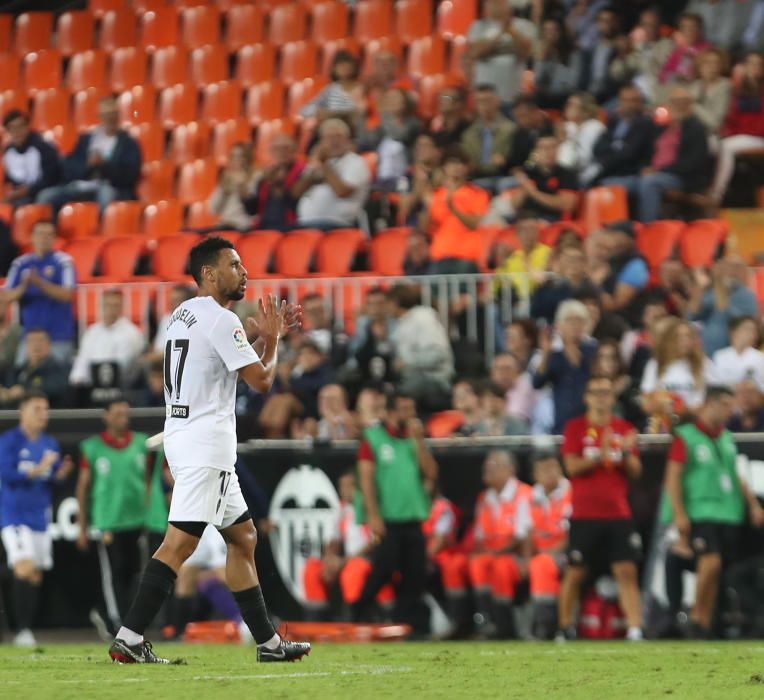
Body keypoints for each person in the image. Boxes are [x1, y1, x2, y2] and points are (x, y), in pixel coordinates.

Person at [107, 237, 309, 664]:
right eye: (234, 264)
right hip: (206, 446)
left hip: (186, 437)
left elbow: (226, 370)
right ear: (209, 274)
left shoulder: (182, 315)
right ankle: (128, 635)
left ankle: (268, 644)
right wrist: (272, 341)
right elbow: (262, 381)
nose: (244, 271)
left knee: (243, 537)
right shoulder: (222, 320)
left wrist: (258, 340)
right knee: (179, 545)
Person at [662, 385, 764, 637]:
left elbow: (736, 475)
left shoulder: (726, 437)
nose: (731, 411)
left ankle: (704, 624)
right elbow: (673, 477)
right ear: (711, 404)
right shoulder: (685, 436)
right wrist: (679, 513)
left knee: (717, 568)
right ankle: (697, 617)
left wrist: (752, 504)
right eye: (727, 405)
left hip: (727, 512)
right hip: (699, 510)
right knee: (710, 560)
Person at [557, 374, 644, 642]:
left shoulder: (623, 428)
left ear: (612, 398)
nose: (601, 397)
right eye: (596, 392)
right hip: (585, 513)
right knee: (575, 571)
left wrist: (626, 452)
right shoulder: (575, 428)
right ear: (587, 397)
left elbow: (635, 472)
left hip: (618, 513)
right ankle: (565, 627)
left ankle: (634, 629)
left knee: (626, 570)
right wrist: (600, 454)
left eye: (606, 392)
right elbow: (571, 467)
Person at [353, 393, 438, 635]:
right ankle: (359, 611)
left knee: (415, 574)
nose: (409, 415)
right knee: (383, 569)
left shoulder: (414, 440)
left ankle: (406, 624)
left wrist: (419, 442)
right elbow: (366, 481)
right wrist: (374, 516)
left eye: (412, 409)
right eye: (404, 409)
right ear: (389, 413)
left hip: (413, 517)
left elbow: (431, 473)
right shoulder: (373, 439)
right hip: (387, 519)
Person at [0, 391, 72, 647]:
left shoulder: (49, 443)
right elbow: (6, 474)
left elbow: (53, 482)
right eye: (37, 409)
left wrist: (60, 474)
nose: (43, 414)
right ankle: (21, 631)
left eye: (45, 409)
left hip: (39, 517)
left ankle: (25, 629)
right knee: (25, 566)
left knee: (34, 576)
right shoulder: (9, 441)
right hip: (14, 516)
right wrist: (38, 469)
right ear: (23, 412)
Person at [75, 399, 149, 635]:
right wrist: (82, 527)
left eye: (125, 414)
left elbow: (148, 481)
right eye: (117, 414)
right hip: (108, 521)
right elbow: (83, 488)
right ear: (105, 416)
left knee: (133, 574)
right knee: (113, 573)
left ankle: (112, 615)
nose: (122, 419)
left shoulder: (140, 444)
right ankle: (118, 624)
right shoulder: (93, 447)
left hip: (136, 520)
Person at [303, 471, 394, 620]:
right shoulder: (341, 509)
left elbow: (375, 541)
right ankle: (318, 623)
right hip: (345, 560)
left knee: (353, 571)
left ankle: (353, 620)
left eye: (349, 486)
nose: (345, 490)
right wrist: (329, 560)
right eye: (342, 486)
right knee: (312, 568)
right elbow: (333, 539)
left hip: (369, 559)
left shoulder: (370, 508)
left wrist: (344, 561)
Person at [466, 450, 532, 639]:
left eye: (493, 465)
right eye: (486, 466)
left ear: (509, 470)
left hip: (517, 555)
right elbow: (479, 537)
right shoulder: (484, 498)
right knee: (476, 563)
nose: (487, 469)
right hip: (494, 552)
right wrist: (484, 551)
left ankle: (505, 625)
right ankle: (486, 621)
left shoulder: (523, 493)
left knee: (500, 566)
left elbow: (522, 536)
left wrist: (497, 552)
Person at [36, 96, 141, 214]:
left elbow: (129, 175)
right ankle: (47, 231)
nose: (109, 118)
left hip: (110, 187)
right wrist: (88, 164)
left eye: (112, 114)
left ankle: (102, 231)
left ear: (118, 115)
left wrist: (104, 165)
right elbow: (70, 166)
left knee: (107, 195)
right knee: (46, 196)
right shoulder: (86, 140)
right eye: (105, 115)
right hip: (82, 184)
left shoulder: (128, 143)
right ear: (99, 116)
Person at [2, 220, 76, 363]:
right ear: (32, 237)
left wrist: (40, 283)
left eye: (49, 235)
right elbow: (6, 297)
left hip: (57, 336)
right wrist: (24, 286)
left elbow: (67, 294)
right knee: (23, 378)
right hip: (29, 337)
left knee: (54, 380)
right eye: (40, 234)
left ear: (54, 238)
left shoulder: (63, 262)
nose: (44, 238)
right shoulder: (20, 264)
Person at [635, 87, 710, 222]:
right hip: (655, 172)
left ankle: (648, 228)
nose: (678, 105)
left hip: (682, 178)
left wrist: (658, 170)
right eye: (675, 102)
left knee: (650, 183)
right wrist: (646, 167)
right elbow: (646, 151)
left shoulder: (696, 128)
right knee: (618, 183)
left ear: (690, 104)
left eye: (682, 102)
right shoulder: (661, 127)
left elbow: (692, 163)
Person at [640, 318, 719, 430]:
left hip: (694, 425)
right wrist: (664, 407)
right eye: (679, 336)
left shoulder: (704, 364)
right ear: (669, 339)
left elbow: (715, 396)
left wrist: (689, 411)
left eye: (688, 336)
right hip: (662, 425)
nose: (684, 341)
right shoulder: (655, 364)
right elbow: (646, 403)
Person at [422, 147, 490, 275]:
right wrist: (427, 205)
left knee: (463, 295)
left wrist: (452, 207)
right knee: (435, 294)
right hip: (439, 257)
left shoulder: (478, 194)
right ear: (444, 168)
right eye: (451, 163)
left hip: (466, 258)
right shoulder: (436, 195)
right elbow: (427, 228)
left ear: (467, 168)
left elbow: (474, 224)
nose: (456, 167)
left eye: (460, 163)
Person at [69, 289, 146, 403]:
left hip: (121, 385)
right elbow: (83, 359)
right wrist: (77, 379)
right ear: (101, 306)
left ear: (121, 307)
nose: (111, 309)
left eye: (115, 305)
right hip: (91, 385)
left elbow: (124, 364)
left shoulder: (132, 333)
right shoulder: (92, 332)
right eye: (107, 305)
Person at [533, 300, 598, 434]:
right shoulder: (554, 355)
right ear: (559, 326)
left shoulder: (593, 350)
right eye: (569, 321)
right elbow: (537, 383)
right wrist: (545, 353)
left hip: (591, 421)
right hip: (562, 425)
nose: (575, 325)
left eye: (579, 321)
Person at [294, 119, 372, 230]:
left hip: (337, 225)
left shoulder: (355, 162)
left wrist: (325, 165)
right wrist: (312, 175)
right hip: (305, 223)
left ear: (348, 140)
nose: (334, 141)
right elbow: (296, 192)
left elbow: (342, 191)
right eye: (328, 137)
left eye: (338, 137)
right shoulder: (317, 162)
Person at [708, 51, 764, 204]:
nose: (755, 67)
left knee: (726, 147)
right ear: (744, 67)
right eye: (751, 64)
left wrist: (735, 134)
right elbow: (731, 119)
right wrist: (725, 132)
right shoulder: (737, 90)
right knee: (709, 143)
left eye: (759, 64)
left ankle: (715, 196)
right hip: (739, 137)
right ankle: (701, 189)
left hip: (758, 138)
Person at [527, 452, 571, 640]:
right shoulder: (531, 496)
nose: (548, 473)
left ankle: (547, 626)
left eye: (552, 467)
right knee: (536, 563)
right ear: (535, 474)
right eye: (542, 469)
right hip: (537, 553)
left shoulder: (570, 492)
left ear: (560, 469)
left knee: (543, 564)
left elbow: (572, 533)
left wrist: (549, 553)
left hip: (567, 552)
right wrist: (527, 558)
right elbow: (527, 532)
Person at [388, 284, 454, 412]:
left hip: (434, 379)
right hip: (410, 378)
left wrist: (407, 362)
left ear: (395, 302)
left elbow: (438, 356)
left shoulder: (423, 317)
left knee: (399, 396)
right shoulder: (400, 323)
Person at [466, 0, 535, 109]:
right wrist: (500, 32)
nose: (495, 6)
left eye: (499, 2)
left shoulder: (524, 25)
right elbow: (475, 53)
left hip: (513, 96)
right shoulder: (477, 26)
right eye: (490, 2)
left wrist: (511, 30)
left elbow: (526, 52)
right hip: (485, 97)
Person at [586, 85, 655, 189]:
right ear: (620, 101)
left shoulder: (645, 123)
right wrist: (615, 149)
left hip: (629, 173)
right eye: (625, 100)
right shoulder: (614, 121)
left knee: (601, 186)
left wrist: (607, 157)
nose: (629, 104)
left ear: (640, 103)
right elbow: (597, 148)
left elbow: (629, 155)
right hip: (607, 169)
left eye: (634, 100)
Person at [688, 257, 758, 356]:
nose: (733, 271)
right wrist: (700, 289)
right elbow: (693, 316)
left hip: (733, 353)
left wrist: (723, 304)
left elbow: (745, 322)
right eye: (729, 267)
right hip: (707, 351)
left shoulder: (747, 295)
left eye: (737, 268)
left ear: (744, 273)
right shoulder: (712, 292)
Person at [357, 87, 421, 191]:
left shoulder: (413, 123)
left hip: (407, 170)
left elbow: (399, 135)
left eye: (395, 98)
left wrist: (384, 114)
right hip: (381, 168)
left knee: (392, 145)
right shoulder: (384, 124)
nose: (391, 101)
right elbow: (366, 141)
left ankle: (389, 183)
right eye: (389, 98)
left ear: (405, 102)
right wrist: (362, 116)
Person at [507, 135, 579, 222]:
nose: (548, 151)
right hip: (522, 219)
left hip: (550, 220)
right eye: (543, 147)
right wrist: (523, 187)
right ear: (535, 152)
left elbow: (567, 205)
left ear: (558, 149)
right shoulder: (529, 172)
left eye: (552, 147)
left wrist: (533, 192)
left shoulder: (567, 174)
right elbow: (514, 205)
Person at [460, 84, 516, 192]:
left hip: (503, 175)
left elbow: (515, 158)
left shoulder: (511, 129)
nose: (483, 105)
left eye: (487, 100)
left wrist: (505, 161)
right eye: (479, 101)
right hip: (476, 177)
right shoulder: (468, 134)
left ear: (497, 102)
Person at [2, 110, 60, 208]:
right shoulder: (8, 152)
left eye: (21, 126)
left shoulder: (43, 147)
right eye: (13, 128)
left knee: (43, 197)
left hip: (44, 190)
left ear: (27, 126)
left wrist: (29, 190)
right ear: (8, 131)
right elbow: (10, 180)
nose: (18, 131)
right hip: (20, 195)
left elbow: (51, 178)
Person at [248, 134, 306, 231]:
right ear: (271, 152)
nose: (282, 152)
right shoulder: (264, 176)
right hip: (264, 225)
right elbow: (252, 210)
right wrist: (244, 194)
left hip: (290, 226)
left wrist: (279, 187)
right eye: (277, 149)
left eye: (286, 148)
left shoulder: (303, 172)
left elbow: (296, 203)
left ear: (295, 151)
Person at [530, 243, 598, 324]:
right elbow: (534, 311)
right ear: (560, 262)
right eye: (569, 259)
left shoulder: (590, 288)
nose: (573, 264)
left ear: (584, 263)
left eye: (577, 259)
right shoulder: (547, 285)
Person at [0, 328, 69, 408]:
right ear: (26, 346)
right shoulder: (17, 370)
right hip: (13, 417)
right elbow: (8, 389)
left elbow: (56, 387)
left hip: (51, 416)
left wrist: (24, 390)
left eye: (41, 340)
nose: (36, 345)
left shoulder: (60, 368)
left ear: (49, 345)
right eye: (32, 341)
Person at [493, 210, 551, 302]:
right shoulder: (510, 257)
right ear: (517, 232)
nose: (528, 233)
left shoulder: (548, 253)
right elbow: (495, 288)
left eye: (532, 229)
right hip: (512, 305)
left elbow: (540, 281)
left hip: (538, 302)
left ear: (538, 230)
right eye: (524, 229)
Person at [599, 221, 649, 327]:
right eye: (611, 236)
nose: (612, 242)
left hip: (624, 322)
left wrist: (593, 284)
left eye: (617, 236)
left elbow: (616, 304)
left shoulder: (636, 266)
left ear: (629, 239)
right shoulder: (609, 259)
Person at [300, 50, 365, 123]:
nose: (344, 68)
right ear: (334, 69)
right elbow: (305, 110)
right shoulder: (330, 90)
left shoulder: (363, 89)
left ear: (354, 67)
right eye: (340, 65)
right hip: (333, 126)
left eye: (347, 64)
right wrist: (319, 111)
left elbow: (366, 112)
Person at [207, 143, 259, 232]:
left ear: (248, 158)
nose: (236, 160)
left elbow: (254, 209)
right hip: (225, 224)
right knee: (188, 232)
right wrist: (223, 191)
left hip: (243, 226)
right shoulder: (227, 178)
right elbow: (213, 210)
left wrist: (241, 185)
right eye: (233, 157)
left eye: (240, 156)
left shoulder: (256, 177)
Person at [533, 17, 582, 110]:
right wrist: (541, 60)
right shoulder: (544, 52)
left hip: (564, 96)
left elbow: (572, 84)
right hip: (545, 96)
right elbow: (537, 80)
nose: (548, 35)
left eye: (552, 30)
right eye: (546, 30)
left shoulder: (573, 53)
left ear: (560, 32)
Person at [557, 92, 606, 177]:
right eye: (568, 104)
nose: (567, 108)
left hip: (587, 172)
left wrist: (566, 141)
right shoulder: (568, 126)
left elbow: (585, 159)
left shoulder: (595, 127)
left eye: (572, 105)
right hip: (567, 171)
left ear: (585, 109)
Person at [712, 316, 764, 392]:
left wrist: (753, 387)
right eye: (747, 329)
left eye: (754, 331)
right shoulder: (719, 356)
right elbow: (714, 383)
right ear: (734, 332)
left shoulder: (760, 357)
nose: (751, 334)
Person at [687, 48, 732, 136]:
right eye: (706, 62)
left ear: (721, 66)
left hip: (714, 135)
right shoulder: (695, 85)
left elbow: (715, 123)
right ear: (699, 66)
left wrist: (693, 105)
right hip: (692, 132)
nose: (711, 67)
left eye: (715, 63)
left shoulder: (725, 86)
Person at [149, 284, 196, 365]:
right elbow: (157, 343)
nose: (173, 304)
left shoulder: (188, 321)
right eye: (171, 300)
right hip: (156, 357)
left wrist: (151, 358)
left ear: (187, 301)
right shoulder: (166, 318)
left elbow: (176, 351)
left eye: (177, 300)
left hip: (170, 360)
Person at [490, 352, 535, 427]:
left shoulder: (526, 386)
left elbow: (516, 419)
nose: (503, 373)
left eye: (507, 369)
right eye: (499, 369)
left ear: (518, 371)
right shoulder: (488, 391)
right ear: (492, 373)